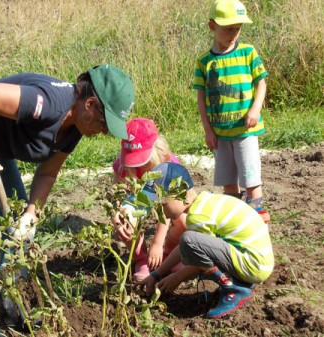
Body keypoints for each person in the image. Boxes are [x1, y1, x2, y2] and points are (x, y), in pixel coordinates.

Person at [0, 64, 135, 336]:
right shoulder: (49, 103)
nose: (104, 133)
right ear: (90, 104)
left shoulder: (74, 129)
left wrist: (32, 214)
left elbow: (47, 172)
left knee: (17, 226)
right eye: (105, 123)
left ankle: (11, 308)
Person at [138, 163, 275, 319]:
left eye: (162, 204)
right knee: (189, 241)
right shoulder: (205, 203)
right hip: (257, 262)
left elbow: (196, 257)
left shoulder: (198, 217)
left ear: (181, 195)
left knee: (190, 241)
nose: (159, 212)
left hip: (254, 265)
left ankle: (235, 289)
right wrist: (156, 275)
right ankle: (238, 283)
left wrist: (176, 278)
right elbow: (184, 247)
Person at [192, 0, 270, 223]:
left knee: (251, 179)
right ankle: (235, 221)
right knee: (228, 182)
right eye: (228, 29)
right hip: (220, 135)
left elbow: (261, 83)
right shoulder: (204, 62)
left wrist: (255, 109)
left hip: (245, 131)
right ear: (211, 26)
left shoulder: (248, 53)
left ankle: (258, 221)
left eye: (237, 29)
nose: (233, 34)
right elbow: (201, 98)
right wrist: (208, 130)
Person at [111, 118, 187, 282]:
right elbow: (117, 196)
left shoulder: (168, 164)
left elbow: (165, 207)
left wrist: (158, 243)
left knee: (183, 221)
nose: (138, 166)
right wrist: (117, 216)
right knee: (125, 221)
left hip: (165, 201)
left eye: (142, 161)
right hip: (138, 198)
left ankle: (170, 252)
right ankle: (141, 259)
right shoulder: (124, 167)